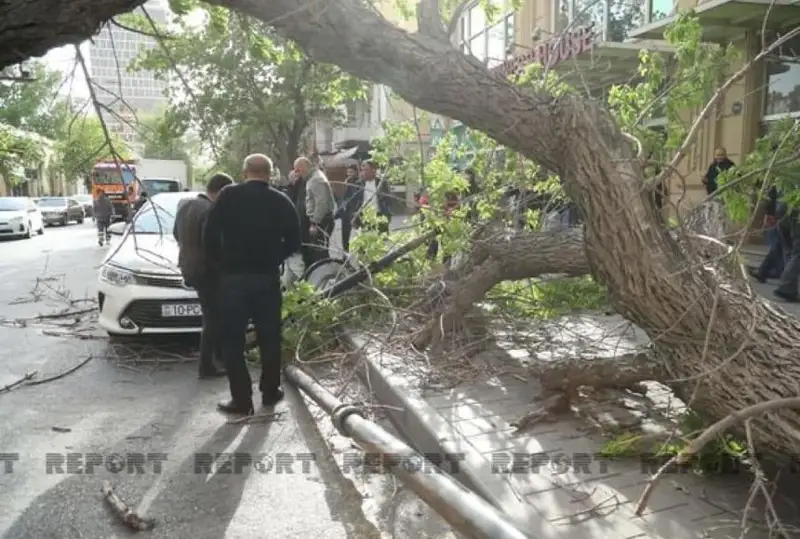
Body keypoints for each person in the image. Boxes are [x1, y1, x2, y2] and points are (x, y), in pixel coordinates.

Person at [204, 154, 302, 415]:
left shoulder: (227, 196)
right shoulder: (281, 200)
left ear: (244, 171)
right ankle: (270, 391)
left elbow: (209, 233)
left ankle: (242, 400)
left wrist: (220, 262)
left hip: (233, 279)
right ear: (269, 174)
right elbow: (294, 240)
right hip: (266, 279)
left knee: (233, 340)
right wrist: (274, 257)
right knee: (270, 336)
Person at [173, 173, 233, 379]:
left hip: (189, 267)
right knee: (212, 318)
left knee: (214, 314)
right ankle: (206, 366)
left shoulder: (185, 207)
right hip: (208, 270)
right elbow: (214, 243)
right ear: (222, 192)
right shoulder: (211, 210)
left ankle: (219, 356)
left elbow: (175, 234)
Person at [294, 156, 335, 267]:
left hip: (321, 222)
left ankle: (322, 275)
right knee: (313, 252)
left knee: (319, 252)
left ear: (304, 167)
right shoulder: (312, 178)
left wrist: (315, 223)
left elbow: (322, 203)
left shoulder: (317, 179)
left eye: (298, 170)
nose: (297, 173)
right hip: (316, 221)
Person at [751, 185, 787, 283]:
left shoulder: (774, 200)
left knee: (778, 250)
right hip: (778, 225)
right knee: (776, 250)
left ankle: (767, 272)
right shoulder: (778, 199)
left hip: (777, 224)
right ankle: (765, 272)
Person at [335, 164, 364, 253]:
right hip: (346, 211)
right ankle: (345, 253)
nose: (349, 174)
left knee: (359, 232)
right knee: (345, 235)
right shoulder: (346, 182)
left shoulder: (359, 183)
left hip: (355, 211)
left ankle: (361, 252)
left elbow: (357, 197)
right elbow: (343, 197)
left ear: (356, 172)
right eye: (348, 172)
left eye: (351, 172)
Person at [360, 160, 392, 233]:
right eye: (362, 170)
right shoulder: (359, 184)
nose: (363, 172)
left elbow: (388, 199)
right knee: (366, 240)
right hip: (365, 216)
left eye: (366, 170)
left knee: (381, 240)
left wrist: (388, 215)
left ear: (373, 170)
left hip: (379, 215)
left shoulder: (381, 183)